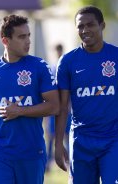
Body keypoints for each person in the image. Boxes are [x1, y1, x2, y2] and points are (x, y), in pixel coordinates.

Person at [54, 6, 118, 184]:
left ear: (102, 25)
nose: (85, 30)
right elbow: (63, 107)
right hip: (80, 141)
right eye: (80, 26)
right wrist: (59, 145)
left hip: (113, 140)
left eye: (90, 25)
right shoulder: (67, 62)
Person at [0, 14, 59, 184]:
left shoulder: (39, 67)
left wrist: (20, 111)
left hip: (32, 153)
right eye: (22, 37)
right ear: (5, 40)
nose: (28, 41)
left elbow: (54, 106)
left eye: (29, 35)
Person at [45, 44, 71, 172]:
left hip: (66, 110)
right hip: (53, 111)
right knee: (51, 137)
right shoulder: (52, 69)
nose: (58, 53)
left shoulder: (67, 67)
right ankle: (48, 163)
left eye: (60, 50)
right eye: (57, 51)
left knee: (67, 136)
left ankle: (70, 162)